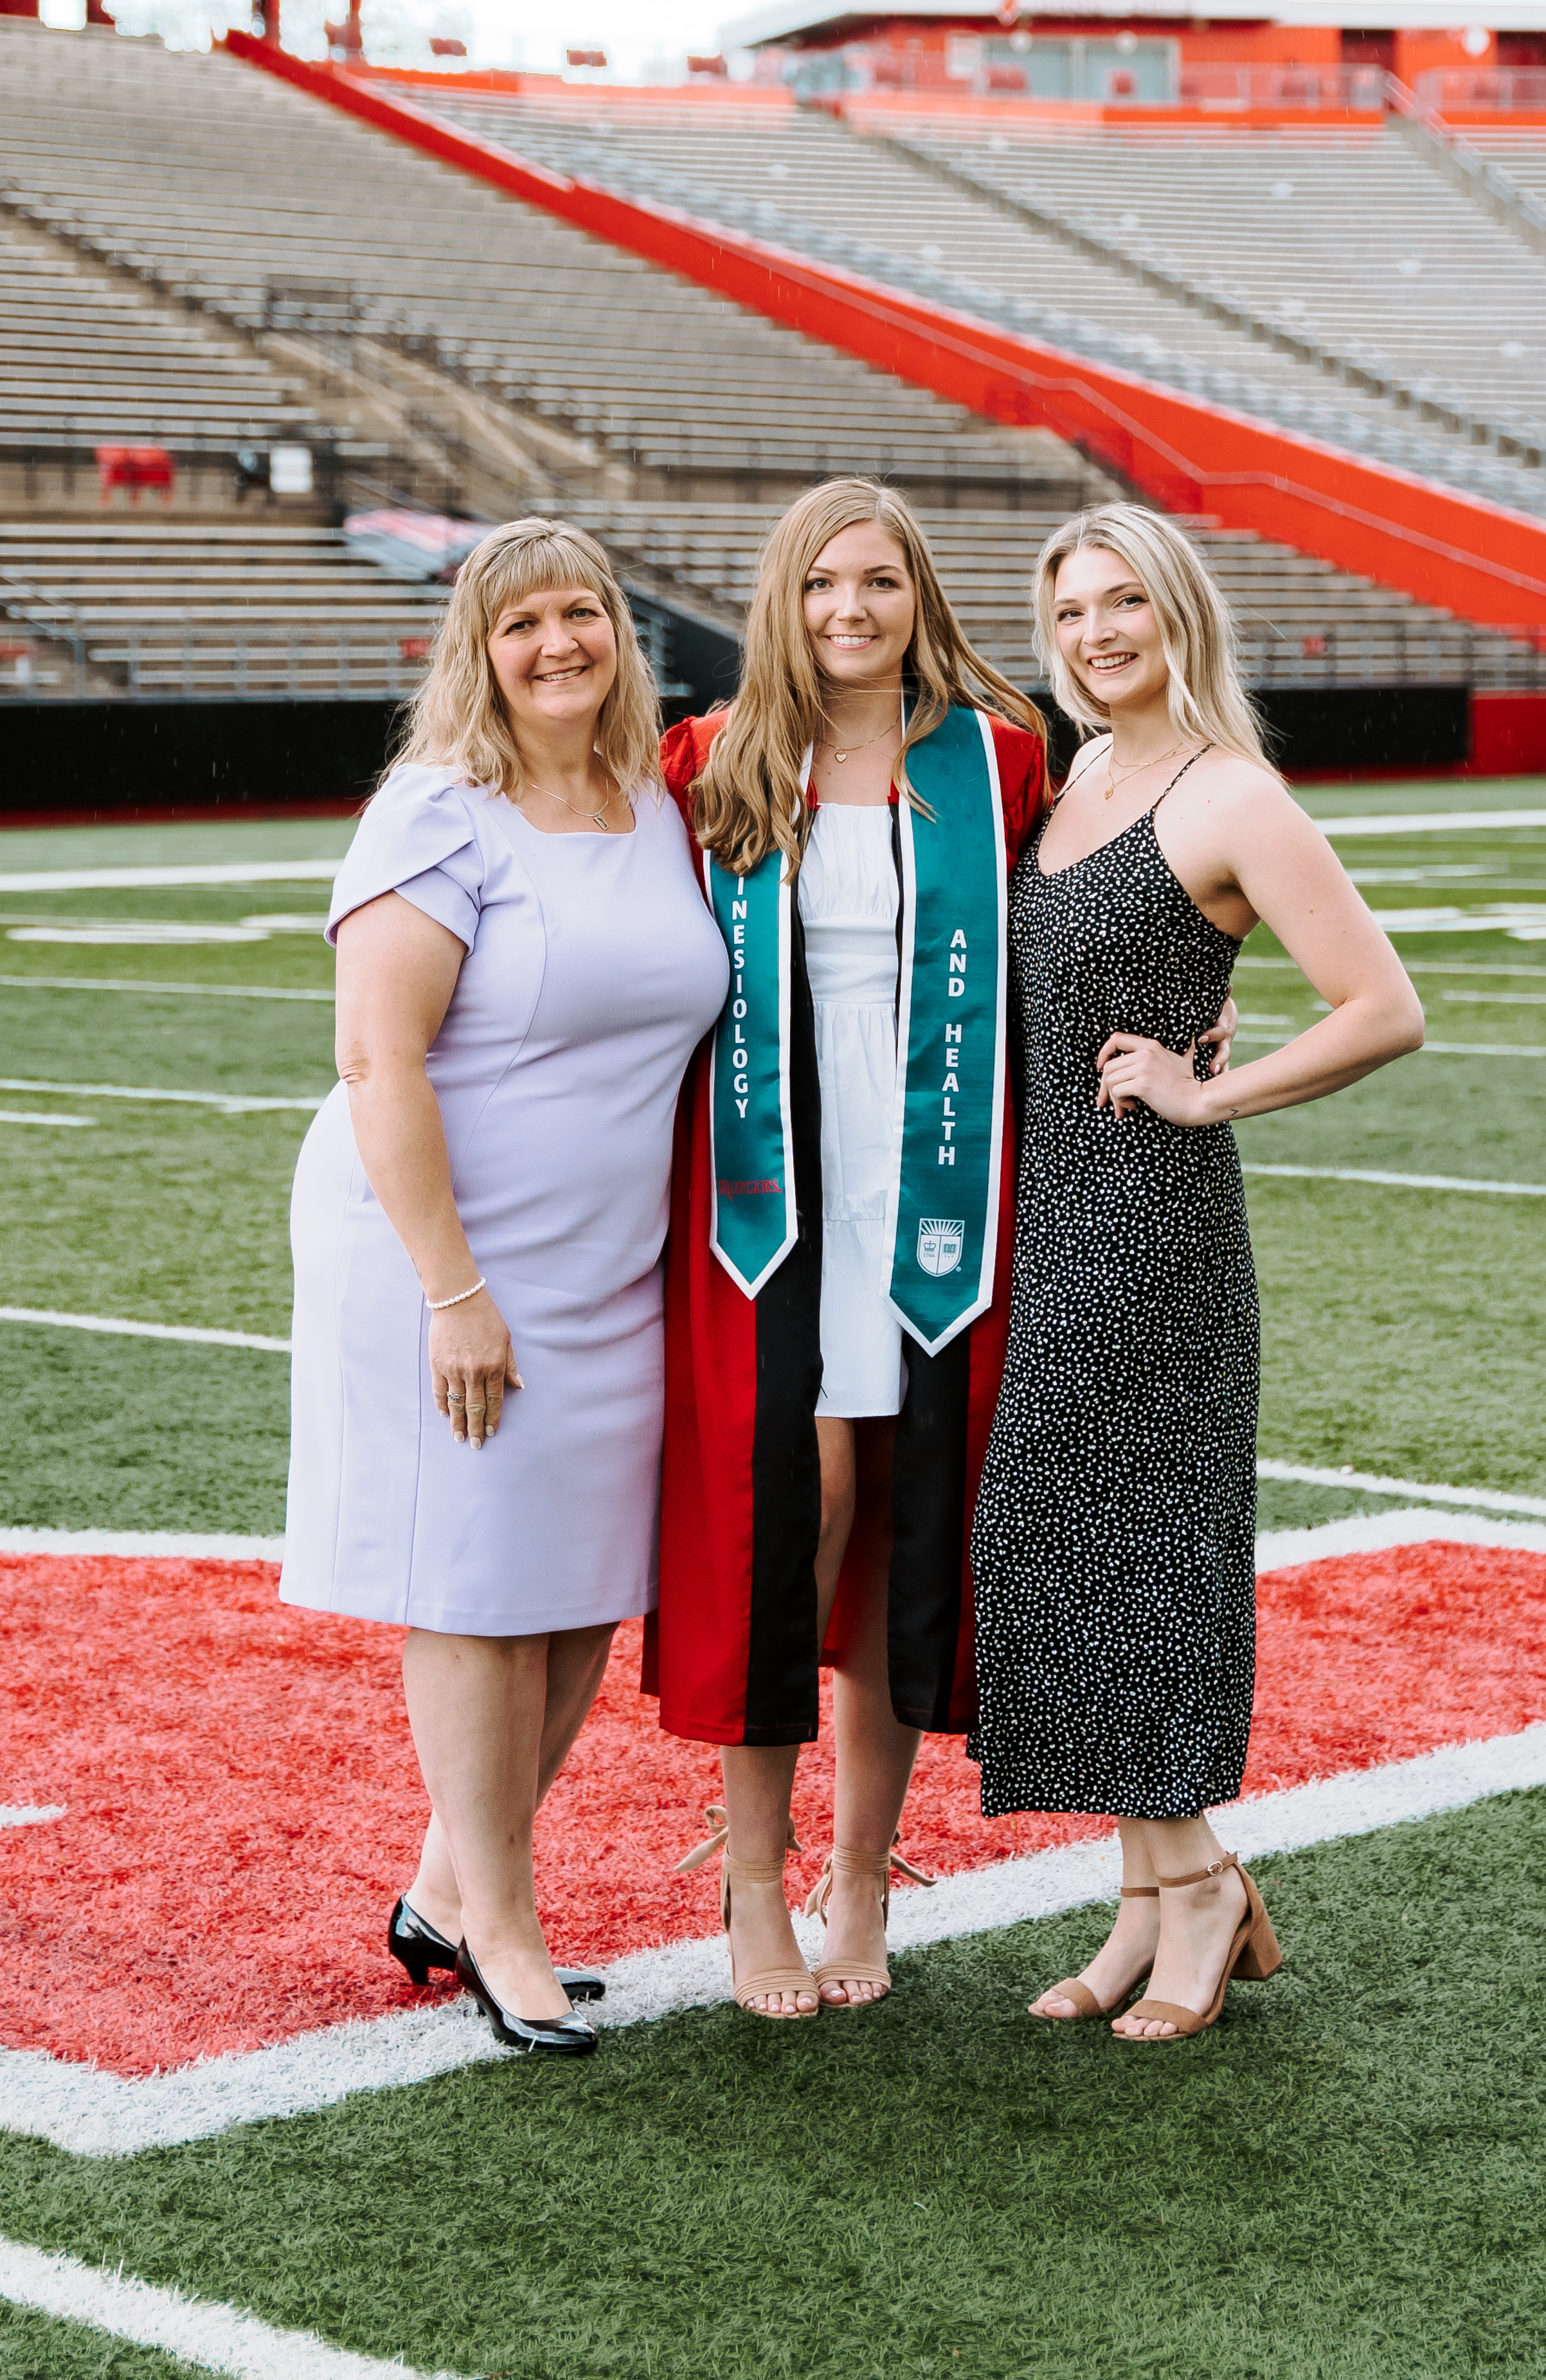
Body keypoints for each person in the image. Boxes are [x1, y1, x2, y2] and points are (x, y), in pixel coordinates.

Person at [971, 502, 1424, 2046]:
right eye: (1074, 610)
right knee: (1056, 1545)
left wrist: (1207, 1088)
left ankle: (1203, 1891)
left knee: (1140, 1551)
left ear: (1178, 616)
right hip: (1039, 1216)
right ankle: (1151, 1899)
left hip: (1150, 1225)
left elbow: (1381, 1006)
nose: (1097, 634)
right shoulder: (1072, 771)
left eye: (1125, 606)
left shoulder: (1231, 793)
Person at [280, 516, 729, 2058]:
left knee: (586, 1588)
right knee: (475, 1590)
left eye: (582, 615)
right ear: (475, 648)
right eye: (521, 622)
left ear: (620, 631)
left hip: (610, 1264)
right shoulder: (436, 813)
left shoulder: (652, 797)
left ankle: (441, 1883)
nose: (557, 645)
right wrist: (450, 1287)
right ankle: (506, 1925)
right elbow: (374, 1057)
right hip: (442, 1251)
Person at [648, 478, 1050, 2017]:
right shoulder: (713, 759)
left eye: (879, 582)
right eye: (822, 585)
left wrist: (1186, 1008)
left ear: (917, 597)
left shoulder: (994, 764)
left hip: (938, 1187)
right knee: (789, 1519)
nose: (850, 611)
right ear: (783, 600)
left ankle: (862, 1876)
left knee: (897, 1521)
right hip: (773, 1200)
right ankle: (752, 1875)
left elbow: (1087, 917)